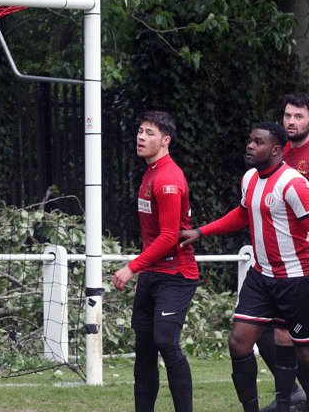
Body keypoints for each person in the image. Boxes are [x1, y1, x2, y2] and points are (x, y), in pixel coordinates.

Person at [180, 122, 309, 412]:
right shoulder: (249, 178)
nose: (250, 146)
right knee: (239, 343)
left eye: (258, 142)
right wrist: (201, 231)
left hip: (296, 280)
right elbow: (242, 214)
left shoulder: (293, 184)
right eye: (250, 140)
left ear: (276, 150)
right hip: (261, 277)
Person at [111, 111, 199, 412]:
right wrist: (143, 270)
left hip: (177, 273)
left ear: (165, 140)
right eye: (140, 131)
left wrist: (131, 267)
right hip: (153, 273)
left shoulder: (168, 178)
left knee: (165, 340)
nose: (141, 137)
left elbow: (169, 236)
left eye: (149, 133)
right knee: (145, 346)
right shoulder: (150, 173)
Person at [260, 94, 309, 412]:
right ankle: (299, 394)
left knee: (307, 340)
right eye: (287, 115)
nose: (291, 121)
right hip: (289, 262)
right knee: (264, 331)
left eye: (298, 116)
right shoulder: (280, 151)